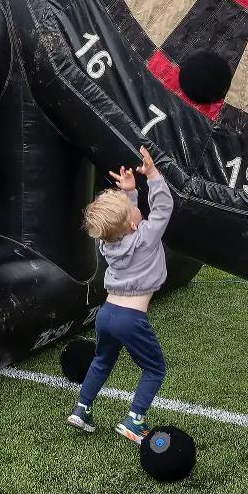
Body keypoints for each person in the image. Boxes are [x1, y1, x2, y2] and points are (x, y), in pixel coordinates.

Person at [68, 146, 174, 443]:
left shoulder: (108, 243)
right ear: (132, 224)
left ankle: (82, 409)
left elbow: (124, 222)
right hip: (130, 319)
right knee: (154, 368)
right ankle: (134, 420)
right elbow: (163, 207)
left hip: (107, 315)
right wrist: (152, 175)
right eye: (131, 208)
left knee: (102, 360)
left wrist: (129, 192)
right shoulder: (145, 237)